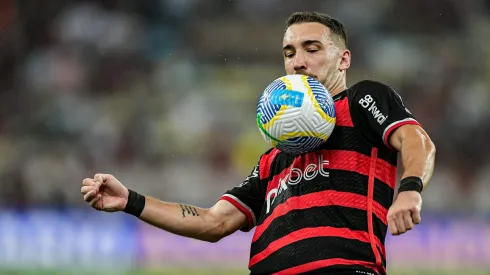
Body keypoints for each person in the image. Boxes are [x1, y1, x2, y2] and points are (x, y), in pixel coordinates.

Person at [81, 11, 436, 275]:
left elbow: (416, 139)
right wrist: (131, 201)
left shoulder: (361, 101)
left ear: (343, 59)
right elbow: (212, 223)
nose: (298, 62)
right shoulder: (272, 158)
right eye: (289, 52)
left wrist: (410, 189)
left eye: (311, 48)